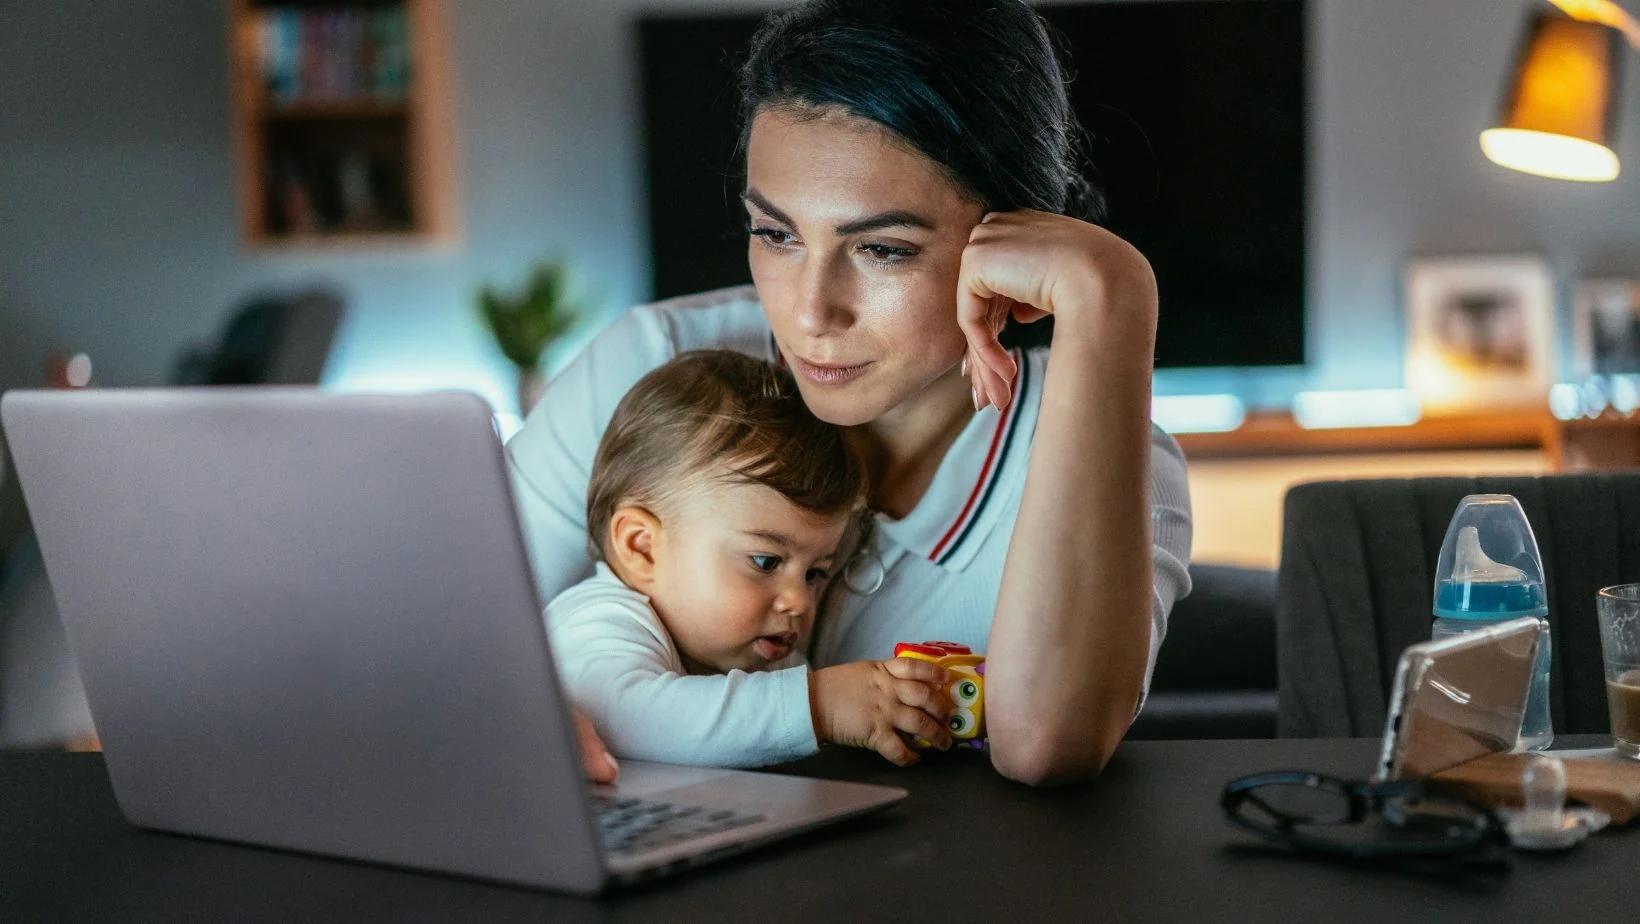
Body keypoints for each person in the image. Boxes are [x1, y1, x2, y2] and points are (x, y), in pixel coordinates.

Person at [509, 0, 1192, 786]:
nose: (809, 313)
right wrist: (508, 700)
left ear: (1015, 253)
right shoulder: (649, 364)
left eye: (882, 249)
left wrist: (1112, 298)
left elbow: (1045, 745)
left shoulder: (1122, 463)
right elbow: (434, 636)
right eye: (776, 234)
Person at [546, 350, 955, 768]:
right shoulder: (597, 622)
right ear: (641, 547)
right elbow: (628, 718)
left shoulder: (753, 657)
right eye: (766, 562)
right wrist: (819, 705)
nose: (799, 600)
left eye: (815, 572)